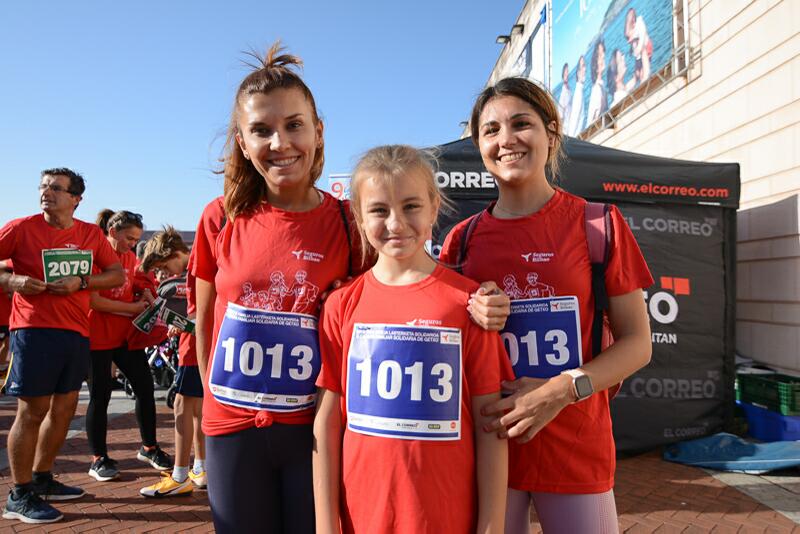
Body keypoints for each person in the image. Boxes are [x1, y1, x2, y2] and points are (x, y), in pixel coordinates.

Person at [194, 42, 508, 533]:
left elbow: (403, 281)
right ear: (241, 139)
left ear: (318, 132)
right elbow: (204, 320)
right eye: (261, 130)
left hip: (307, 430)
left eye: (294, 125)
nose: (280, 143)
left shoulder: (345, 224)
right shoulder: (219, 218)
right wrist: (210, 407)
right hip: (232, 429)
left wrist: (479, 295)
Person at [440, 78, 653, 533]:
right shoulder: (461, 242)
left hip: (575, 448)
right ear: (479, 144)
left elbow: (638, 344)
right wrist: (471, 315)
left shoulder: (598, 223)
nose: (507, 140)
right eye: (491, 130)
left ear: (551, 134)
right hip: (491, 451)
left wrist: (560, 391)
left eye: (522, 124)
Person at [313, 145, 510, 533]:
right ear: (358, 216)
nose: (396, 223)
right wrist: (325, 524)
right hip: (362, 518)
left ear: (435, 208)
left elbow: (491, 427)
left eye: (411, 206)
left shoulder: (469, 304)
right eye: (379, 210)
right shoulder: (340, 306)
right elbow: (328, 423)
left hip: (445, 517)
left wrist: (492, 527)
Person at [0, 168, 125, 524]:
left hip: (75, 332)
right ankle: (19, 495)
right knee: (32, 410)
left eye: (56, 188)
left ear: (76, 199)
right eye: (43, 186)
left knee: (64, 409)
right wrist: (13, 280)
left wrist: (81, 281)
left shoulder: (89, 233)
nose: (46, 193)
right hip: (33, 329)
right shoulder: (20, 228)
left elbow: (116, 274)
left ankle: (42, 479)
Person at [85, 210, 172, 483]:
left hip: (125, 338)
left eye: (136, 239)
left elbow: (134, 283)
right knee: (100, 397)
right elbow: (94, 301)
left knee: (145, 389)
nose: (133, 244)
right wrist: (131, 308)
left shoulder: (130, 257)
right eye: (129, 238)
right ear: (112, 233)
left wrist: (144, 293)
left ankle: (149, 447)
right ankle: (98, 458)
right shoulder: (94, 257)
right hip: (96, 338)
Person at [138, 227, 207, 497]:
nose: (164, 273)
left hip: (194, 349)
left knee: (181, 405)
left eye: (164, 266)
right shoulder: (198, 266)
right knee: (197, 408)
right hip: (197, 344)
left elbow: (204, 314)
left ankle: (180, 474)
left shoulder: (195, 269)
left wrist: (185, 325)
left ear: (172, 253)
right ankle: (200, 468)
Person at [625, 8, 653, 85]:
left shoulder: (640, 25)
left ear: (634, 22)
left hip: (645, 48)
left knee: (643, 71)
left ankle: (645, 80)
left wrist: (639, 48)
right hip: (639, 54)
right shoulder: (632, 29)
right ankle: (642, 80)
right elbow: (633, 42)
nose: (629, 41)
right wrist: (632, 49)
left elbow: (642, 38)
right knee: (638, 74)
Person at [587, 39, 608, 124]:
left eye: (603, 53)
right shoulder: (596, 90)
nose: (603, 56)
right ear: (595, 64)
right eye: (600, 55)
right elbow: (590, 124)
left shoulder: (601, 85)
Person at [566, 55, 586, 136]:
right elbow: (574, 122)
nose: (585, 69)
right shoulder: (578, 94)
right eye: (583, 66)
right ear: (578, 73)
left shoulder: (579, 91)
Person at [557, 63, 572, 127]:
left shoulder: (569, 89)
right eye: (566, 72)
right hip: (568, 126)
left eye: (568, 71)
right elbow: (560, 116)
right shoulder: (563, 95)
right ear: (563, 75)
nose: (567, 74)